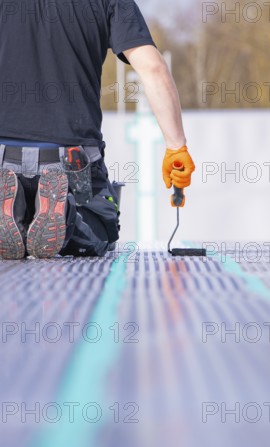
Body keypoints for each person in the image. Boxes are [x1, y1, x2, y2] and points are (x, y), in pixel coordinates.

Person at [0, 0, 195, 260]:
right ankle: (67, 215)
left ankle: (11, 209)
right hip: (72, 161)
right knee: (100, 229)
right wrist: (176, 146)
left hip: (4, 156)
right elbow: (154, 69)